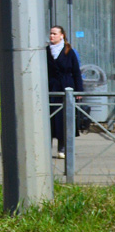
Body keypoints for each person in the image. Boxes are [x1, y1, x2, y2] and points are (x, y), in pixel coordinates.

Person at [47, 25, 84, 159]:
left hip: (66, 88)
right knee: (49, 119)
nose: (52, 36)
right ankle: (46, 148)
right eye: (51, 33)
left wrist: (79, 90)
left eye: (55, 34)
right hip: (50, 89)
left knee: (63, 119)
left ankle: (62, 148)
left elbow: (76, 72)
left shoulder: (69, 51)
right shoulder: (46, 51)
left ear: (62, 35)